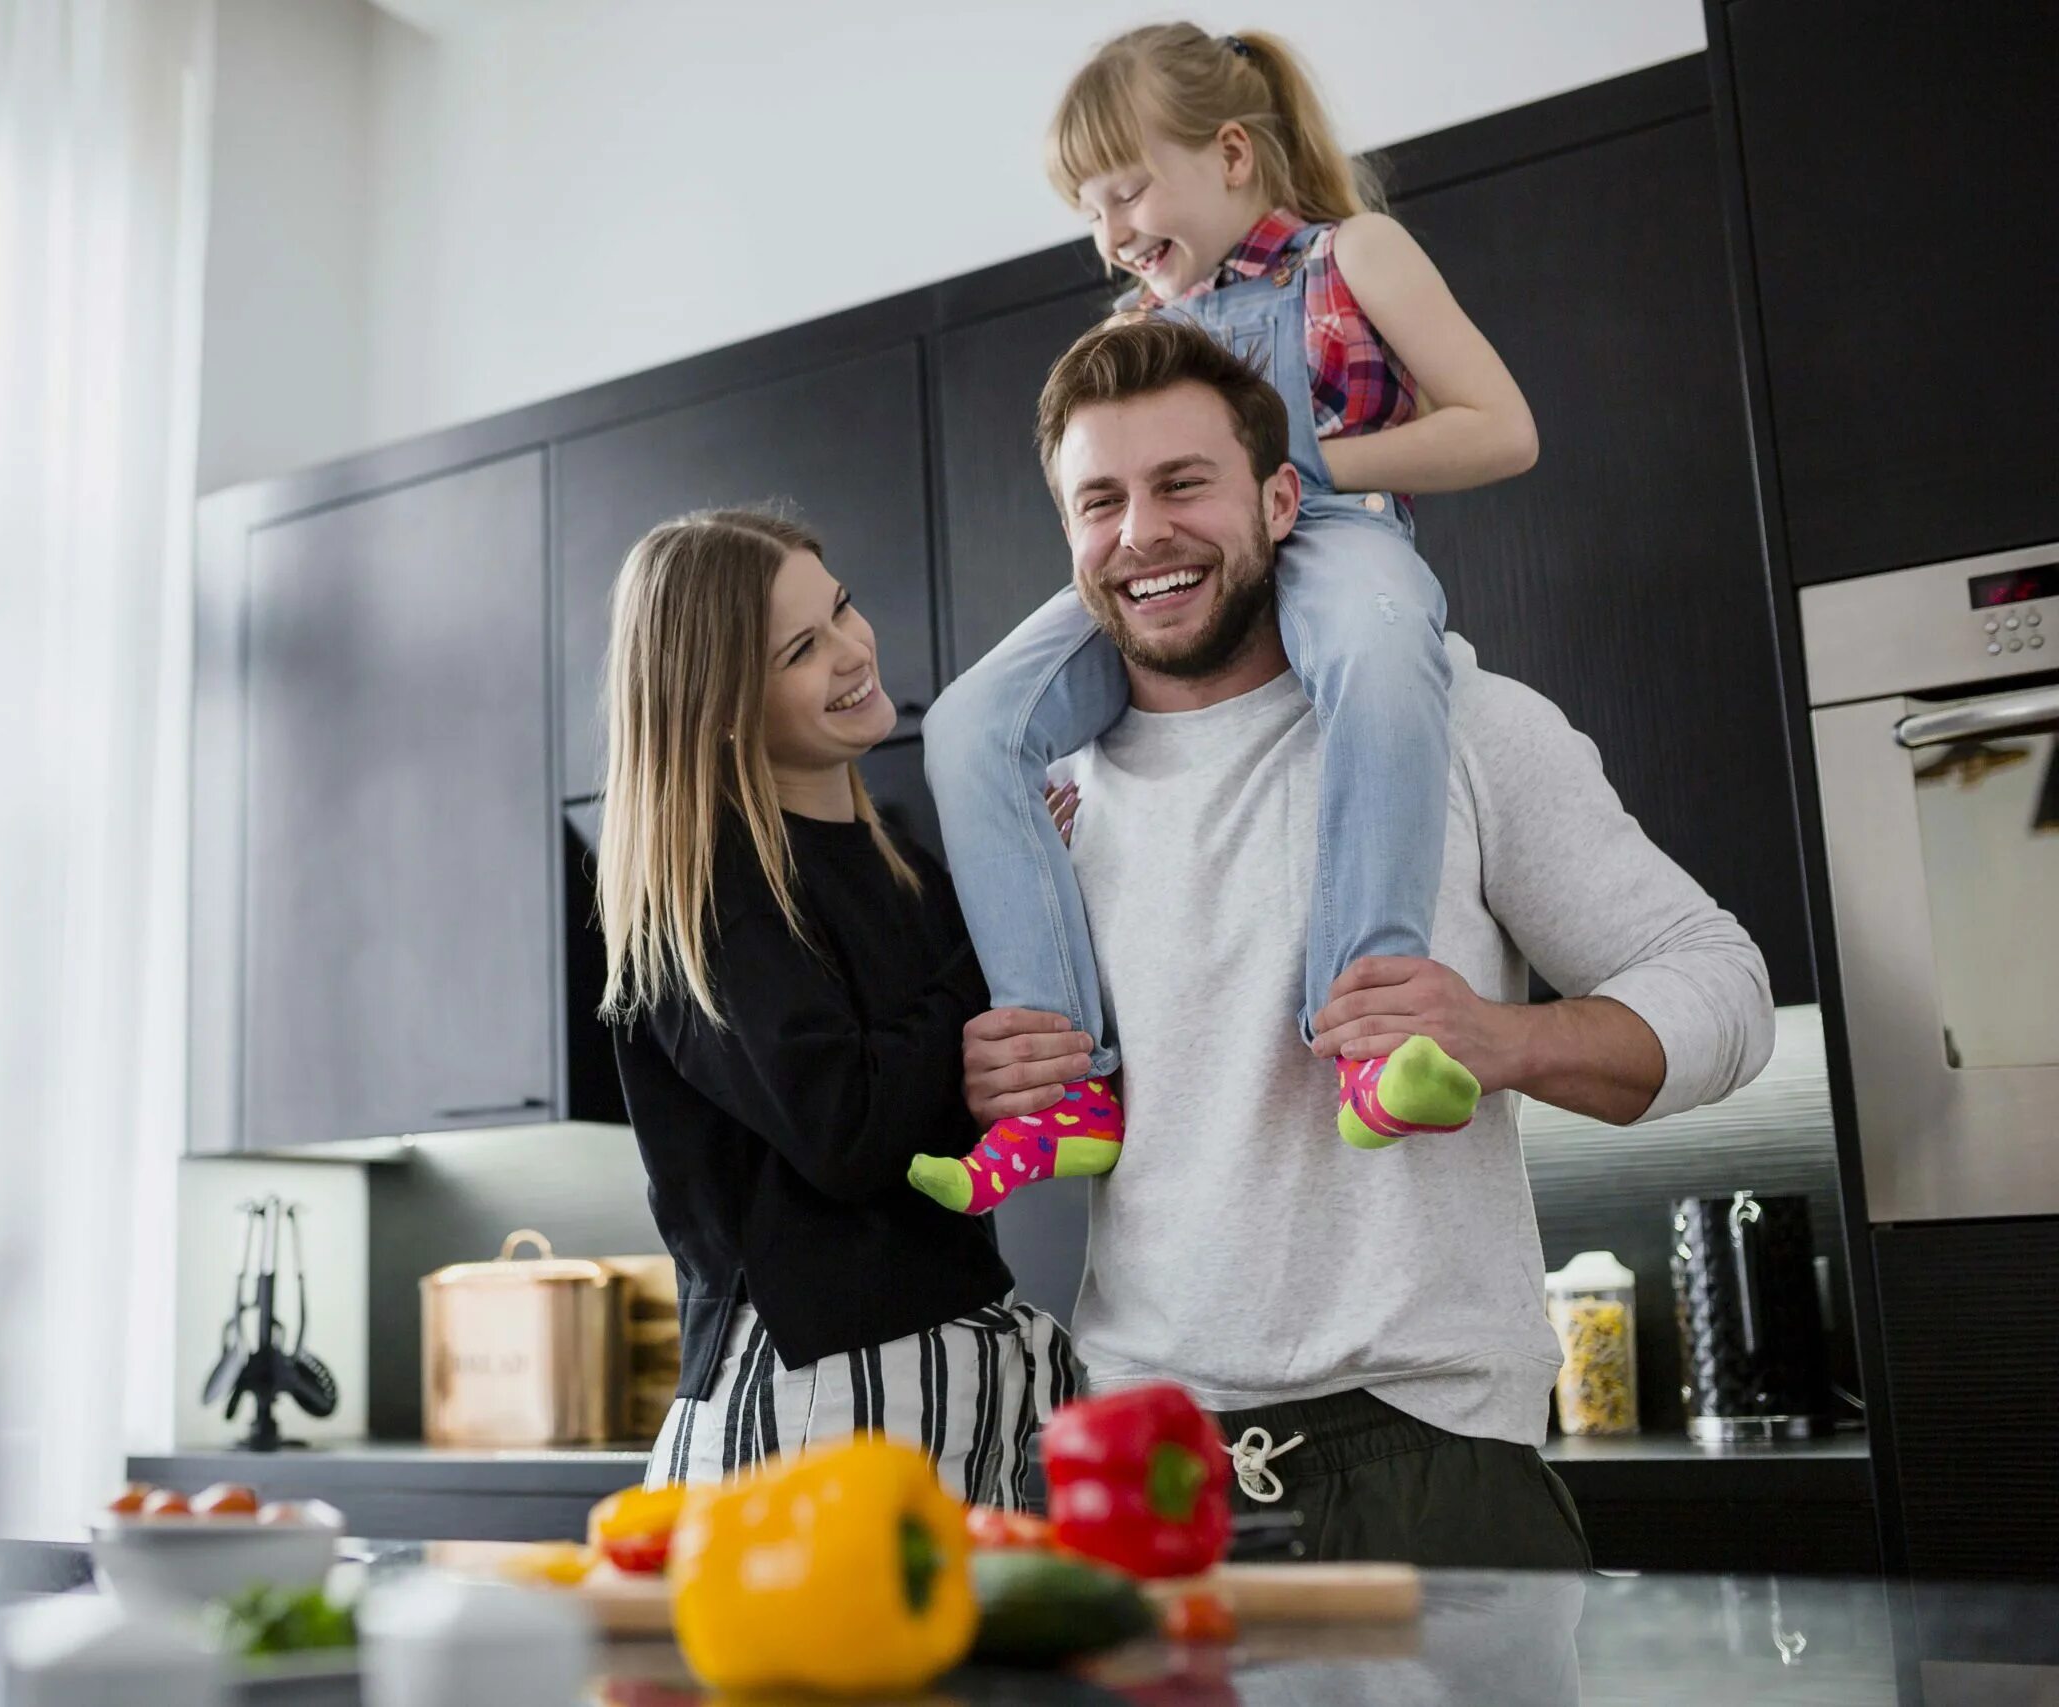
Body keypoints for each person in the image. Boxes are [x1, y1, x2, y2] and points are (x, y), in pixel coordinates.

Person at [968, 312, 1772, 1567]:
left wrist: (1499, 1037)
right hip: (1132, 1459)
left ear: (1282, 500)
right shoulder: (1050, 803)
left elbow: (1725, 990)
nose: (1142, 535)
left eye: (1184, 484)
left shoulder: (1466, 725)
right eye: (1099, 502)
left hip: (1429, 1452)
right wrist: (997, 1077)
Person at [912, 24, 1541, 1215]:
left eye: (1127, 189)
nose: (1110, 233)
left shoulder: (1354, 254)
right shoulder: (1125, 338)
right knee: (969, 723)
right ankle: (1070, 1088)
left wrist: (1285, 469)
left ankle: (1366, 1035)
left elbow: (1500, 429)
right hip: (1174, 569)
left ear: (1235, 154)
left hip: (1340, 530)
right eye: (1089, 210)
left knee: (1373, 647)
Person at [594, 507, 1081, 1501]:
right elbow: (845, 1127)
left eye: (842, 608)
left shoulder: (901, 862)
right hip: (813, 1403)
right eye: (802, 649)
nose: (853, 651)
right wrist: (994, 941)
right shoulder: (697, 891)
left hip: (943, 1376)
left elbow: (943, 1112)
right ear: (721, 704)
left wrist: (1031, 887)